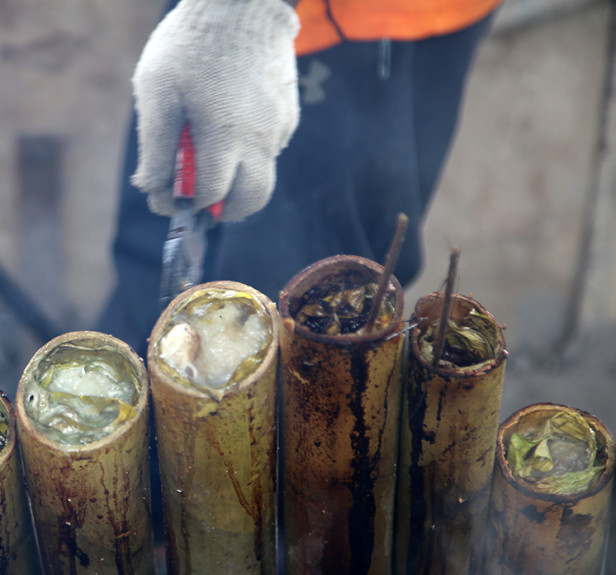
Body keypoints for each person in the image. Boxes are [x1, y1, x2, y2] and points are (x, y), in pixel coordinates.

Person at [97, 0, 503, 355]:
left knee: (295, 330)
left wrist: (241, 16)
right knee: (153, 274)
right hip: (218, 21)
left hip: (340, 26)